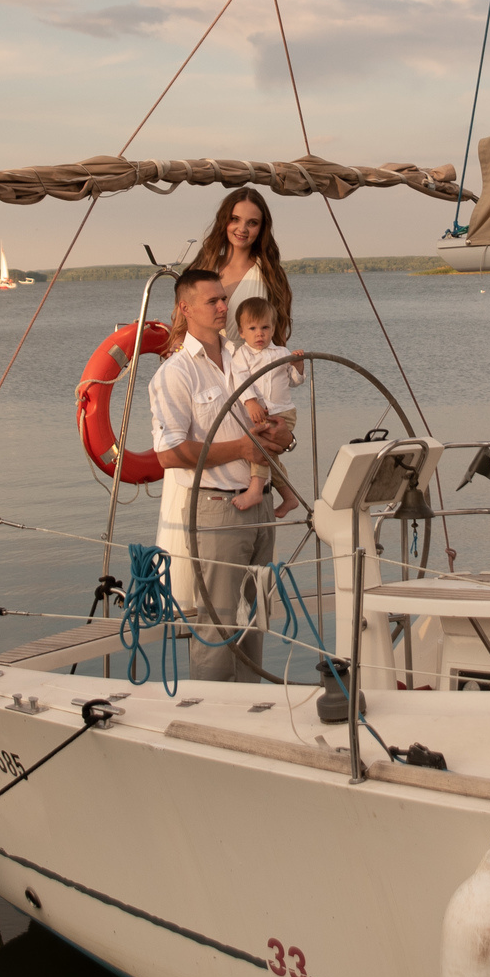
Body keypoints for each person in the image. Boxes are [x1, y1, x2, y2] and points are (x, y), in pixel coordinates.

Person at [148, 268, 293, 681]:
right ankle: (208, 712)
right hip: (219, 509)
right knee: (217, 625)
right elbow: (170, 454)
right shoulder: (174, 374)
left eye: (223, 299)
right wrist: (242, 449)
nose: (222, 306)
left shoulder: (244, 358)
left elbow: (270, 427)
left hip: (260, 507)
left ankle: (252, 709)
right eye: (211, 301)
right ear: (185, 308)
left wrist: (282, 437)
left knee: (256, 620)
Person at [188, 186, 294, 353]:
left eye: (252, 223)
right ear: (224, 221)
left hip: (254, 371)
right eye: (235, 219)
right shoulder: (203, 269)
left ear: (261, 228)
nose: (242, 229)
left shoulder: (271, 274)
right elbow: (183, 326)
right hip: (206, 367)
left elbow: (278, 336)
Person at [227, 295, 300, 517]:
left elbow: (295, 381)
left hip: (283, 412)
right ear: (241, 332)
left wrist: (298, 365)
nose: (260, 333)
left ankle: (256, 490)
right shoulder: (242, 355)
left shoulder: (281, 353)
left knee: (260, 446)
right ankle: (290, 497)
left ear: (273, 328)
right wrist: (250, 401)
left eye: (265, 328)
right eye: (253, 328)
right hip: (260, 412)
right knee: (267, 453)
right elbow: (239, 378)